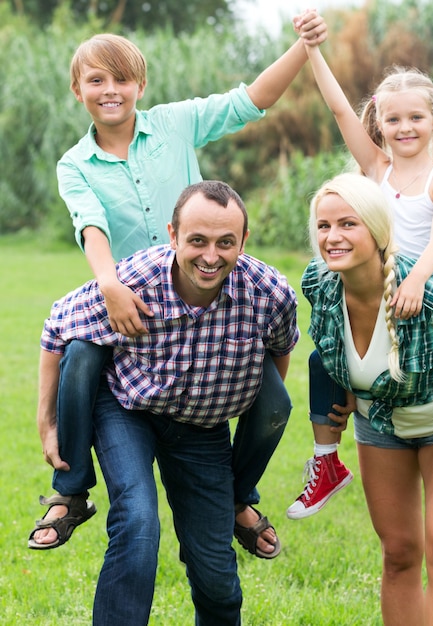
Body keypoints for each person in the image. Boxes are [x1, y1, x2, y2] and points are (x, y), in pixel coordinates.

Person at [28, 11, 327, 553]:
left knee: (273, 395)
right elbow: (90, 225)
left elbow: (252, 99)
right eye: (96, 80)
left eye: (122, 79)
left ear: (140, 85)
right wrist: (110, 285)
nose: (111, 90)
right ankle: (70, 491)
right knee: (81, 354)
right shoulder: (74, 164)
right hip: (131, 304)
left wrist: (303, 48)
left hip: (205, 291)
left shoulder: (175, 123)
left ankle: (240, 495)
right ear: (78, 90)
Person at [287, 15, 433, 584]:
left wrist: (416, 281)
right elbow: (340, 110)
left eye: (416, 117)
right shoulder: (376, 169)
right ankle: (326, 460)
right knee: (325, 359)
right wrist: (311, 50)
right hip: (388, 299)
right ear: (380, 124)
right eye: (393, 119)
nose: (405, 126)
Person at [33, 180, 300, 625]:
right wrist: (47, 422)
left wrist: (242, 400)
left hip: (201, 426)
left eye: (225, 243)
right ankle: (71, 494)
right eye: (197, 240)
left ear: (244, 241)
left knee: (215, 574)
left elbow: (279, 352)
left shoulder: (268, 293)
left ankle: (236, 500)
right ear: (173, 235)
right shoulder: (136, 279)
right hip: (127, 410)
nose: (211, 256)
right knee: (138, 524)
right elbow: (56, 329)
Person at [300, 172, 433, 624]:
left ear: (377, 231)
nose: (332, 237)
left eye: (347, 224)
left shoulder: (431, 290)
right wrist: (358, 394)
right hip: (382, 430)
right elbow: (333, 355)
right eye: (323, 226)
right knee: (398, 553)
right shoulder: (320, 285)